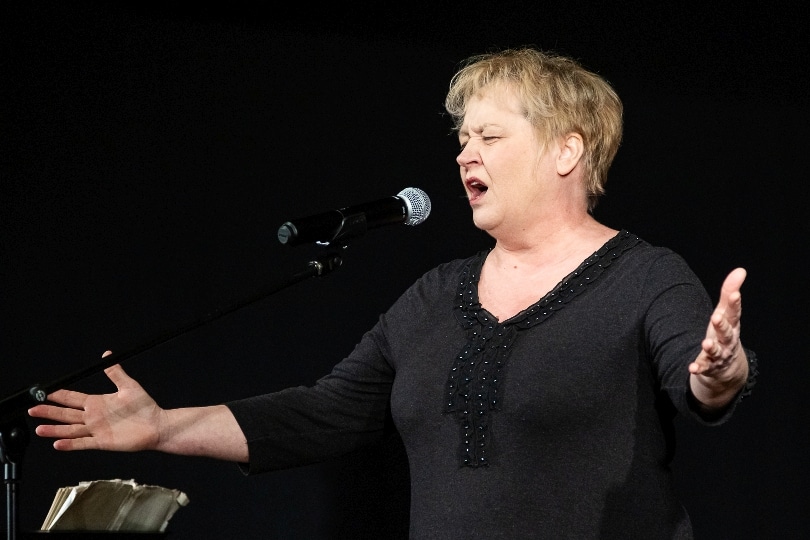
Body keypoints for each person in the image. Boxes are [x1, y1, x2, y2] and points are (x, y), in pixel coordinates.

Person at [28, 47, 757, 539]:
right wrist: (163, 428)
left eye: (490, 136)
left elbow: (703, 380)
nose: (465, 153)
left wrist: (722, 369)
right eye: (463, 138)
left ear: (567, 149)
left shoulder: (645, 276)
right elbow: (325, 414)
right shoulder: (435, 296)